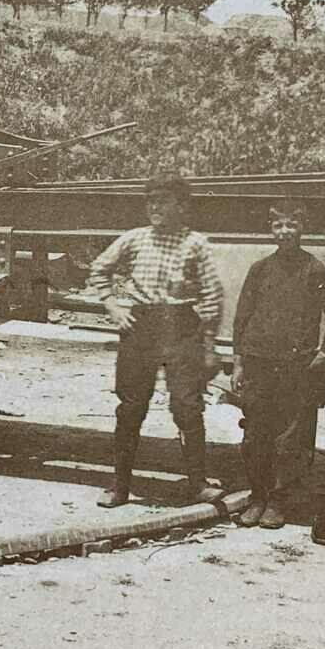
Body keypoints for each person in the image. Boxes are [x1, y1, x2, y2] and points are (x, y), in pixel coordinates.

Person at [88, 172, 223, 507]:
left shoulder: (196, 244)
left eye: (163, 200)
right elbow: (98, 269)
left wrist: (208, 346)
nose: (155, 207)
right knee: (131, 407)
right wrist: (113, 307)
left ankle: (198, 483)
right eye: (150, 201)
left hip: (182, 328)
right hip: (141, 327)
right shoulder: (134, 239)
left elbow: (212, 296)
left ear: (181, 205)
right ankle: (120, 487)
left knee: (187, 407)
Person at [231, 200, 325, 529]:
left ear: (301, 230)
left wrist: (324, 352)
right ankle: (257, 497)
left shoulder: (316, 270)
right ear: (270, 230)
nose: (284, 232)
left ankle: (278, 502)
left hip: (296, 368)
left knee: (289, 439)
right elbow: (241, 320)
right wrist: (239, 363)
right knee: (255, 436)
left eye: (291, 226)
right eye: (278, 226)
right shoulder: (260, 269)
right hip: (258, 365)